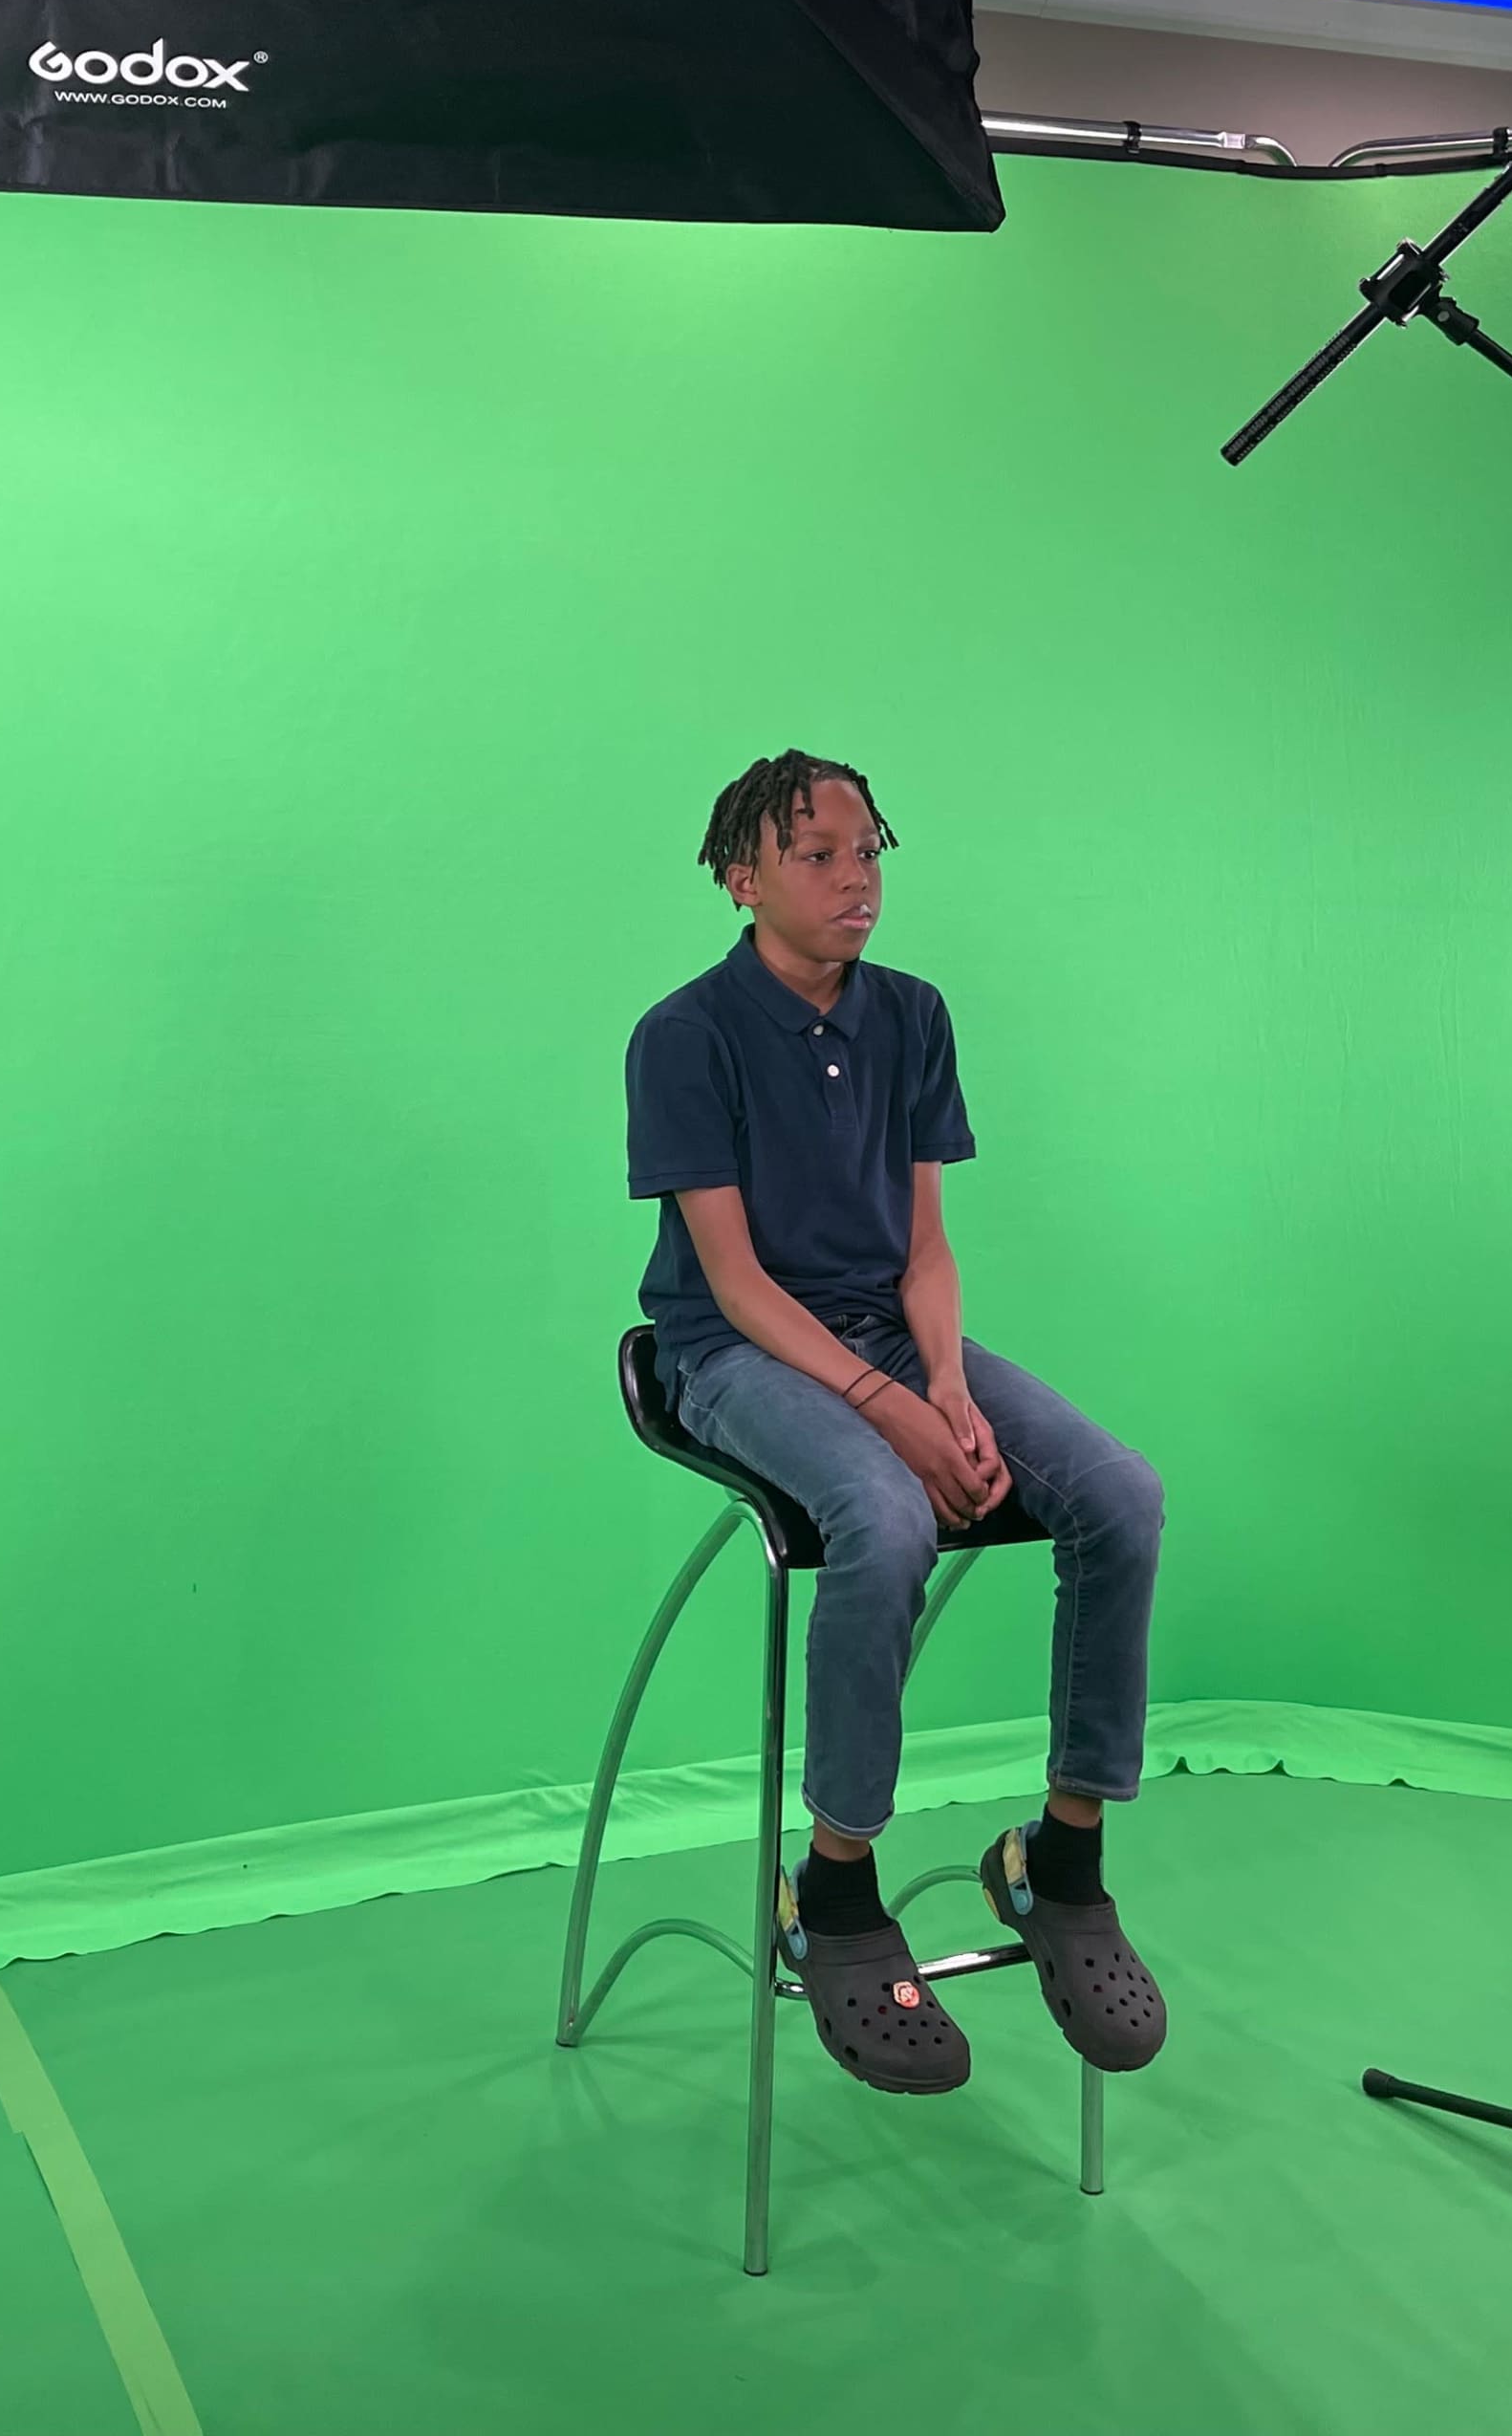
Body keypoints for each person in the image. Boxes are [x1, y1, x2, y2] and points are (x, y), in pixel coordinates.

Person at [624, 750, 1168, 2096]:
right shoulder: (684, 1036)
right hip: (732, 1354)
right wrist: (894, 1420)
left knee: (1122, 1497)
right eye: (818, 855)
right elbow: (738, 1284)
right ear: (740, 877)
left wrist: (949, 1390)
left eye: (871, 851)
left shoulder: (913, 1017)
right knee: (878, 1514)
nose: (855, 878)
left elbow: (927, 1250)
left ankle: (1062, 1856)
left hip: (885, 1335)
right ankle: (833, 1887)